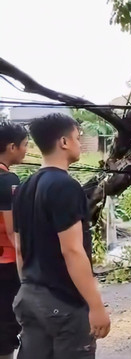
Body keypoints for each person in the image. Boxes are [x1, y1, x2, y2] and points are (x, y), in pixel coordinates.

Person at [12, 114, 110, 359]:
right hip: (63, 301)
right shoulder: (65, 186)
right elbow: (72, 250)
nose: (79, 142)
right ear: (64, 142)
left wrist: (28, 286)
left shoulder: (24, 187)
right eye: (78, 138)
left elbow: (19, 248)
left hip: (30, 295)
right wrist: (96, 306)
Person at [0, 122, 28, 359]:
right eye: (25, 145)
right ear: (11, 147)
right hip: (5, 264)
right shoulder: (8, 181)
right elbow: (12, 232)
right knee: (6, 328)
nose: (26, 150)